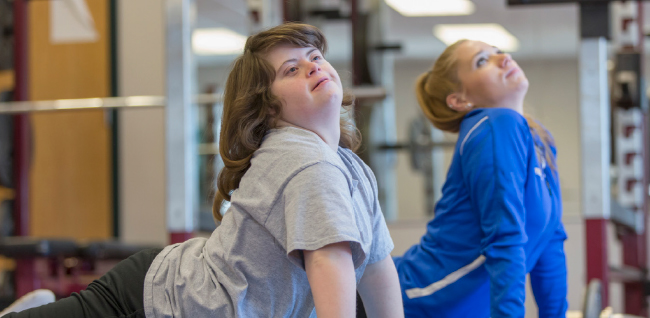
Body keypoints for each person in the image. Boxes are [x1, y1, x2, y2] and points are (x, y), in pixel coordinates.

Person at [3, 23, 403, 318]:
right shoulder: (305, 163)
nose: (312, 67)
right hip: (154, 302)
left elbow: (377, 269)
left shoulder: (350, 167)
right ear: (269, 109)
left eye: (315, 58)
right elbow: (328, 263)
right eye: (291, 70)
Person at [393, 39, 568, 318]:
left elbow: (550, 242)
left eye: (498, 52)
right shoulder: (494, 125)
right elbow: (505, 238)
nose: (504, 58)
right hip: (413, 299)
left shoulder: (540, 139)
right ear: (460, 100)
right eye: (482, 61)